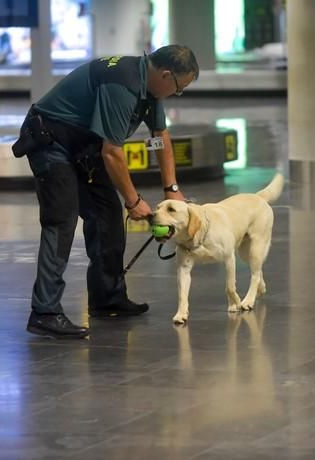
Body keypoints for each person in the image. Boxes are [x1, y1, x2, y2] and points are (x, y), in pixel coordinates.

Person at [12, 45, 199, 339]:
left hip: (84, 148)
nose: (177, 94)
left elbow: (159, 137)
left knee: (107, 215)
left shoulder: (150, 87)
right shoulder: (122, 84)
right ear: (165, 75)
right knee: (61, 221)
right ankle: (44, 312)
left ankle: (107, 298)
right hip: (51, 143)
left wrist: (171, 188)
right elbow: (112, 152)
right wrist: (134, 200)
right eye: (178, 88)